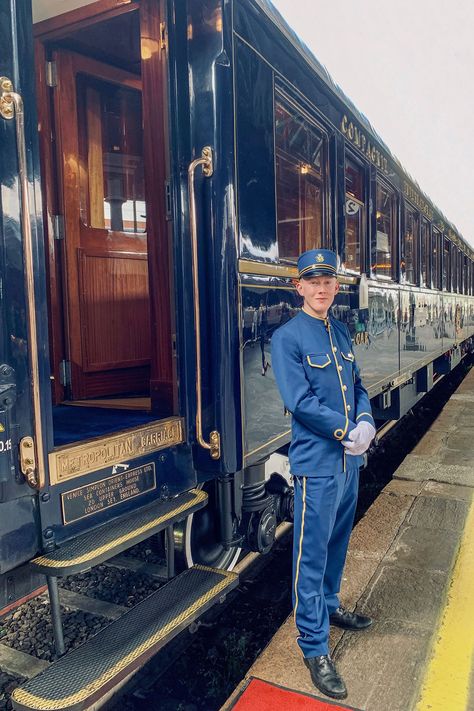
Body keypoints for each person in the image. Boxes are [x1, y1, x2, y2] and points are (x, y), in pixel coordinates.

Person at [271, 248, 376, 700]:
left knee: (337, 541)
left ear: (335, 286)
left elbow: (357, 385)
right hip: (318, 463)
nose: (321, 288)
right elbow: (300, 402)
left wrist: (368, 419)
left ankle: (329, 607)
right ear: (299, 287)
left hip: (348, 462)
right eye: (312, 282)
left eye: (328, 281)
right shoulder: (288, 337)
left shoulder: (339, 332)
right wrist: (346, 429)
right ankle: (314, 647)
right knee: (309, 556)